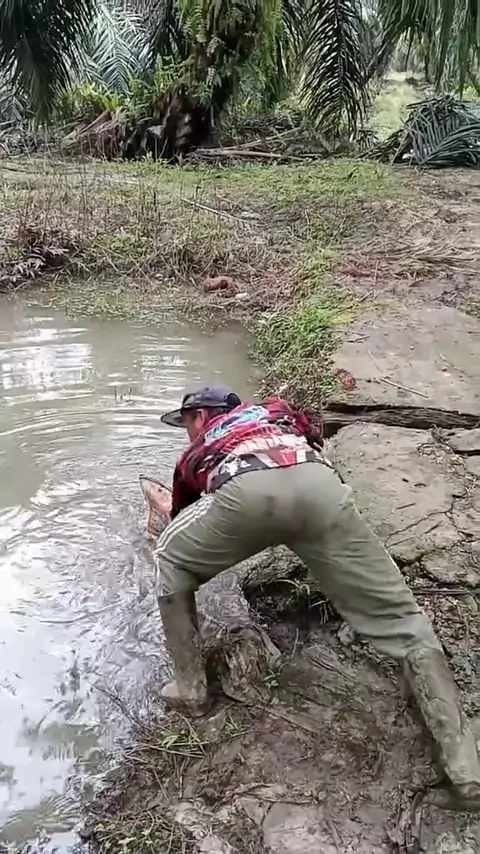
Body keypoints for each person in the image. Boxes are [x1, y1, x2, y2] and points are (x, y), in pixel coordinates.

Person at [153, 384, 480, 811]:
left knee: (168, 558)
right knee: (403, 618)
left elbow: (184, 514)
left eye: (186, 422)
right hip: (319, 484)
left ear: (200, 416)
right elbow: (313, 436)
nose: (187, 430)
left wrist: (167, 512)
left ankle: (191, 690)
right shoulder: (276, 413)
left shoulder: (199, 449)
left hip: (246, 494)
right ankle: (466, 772)